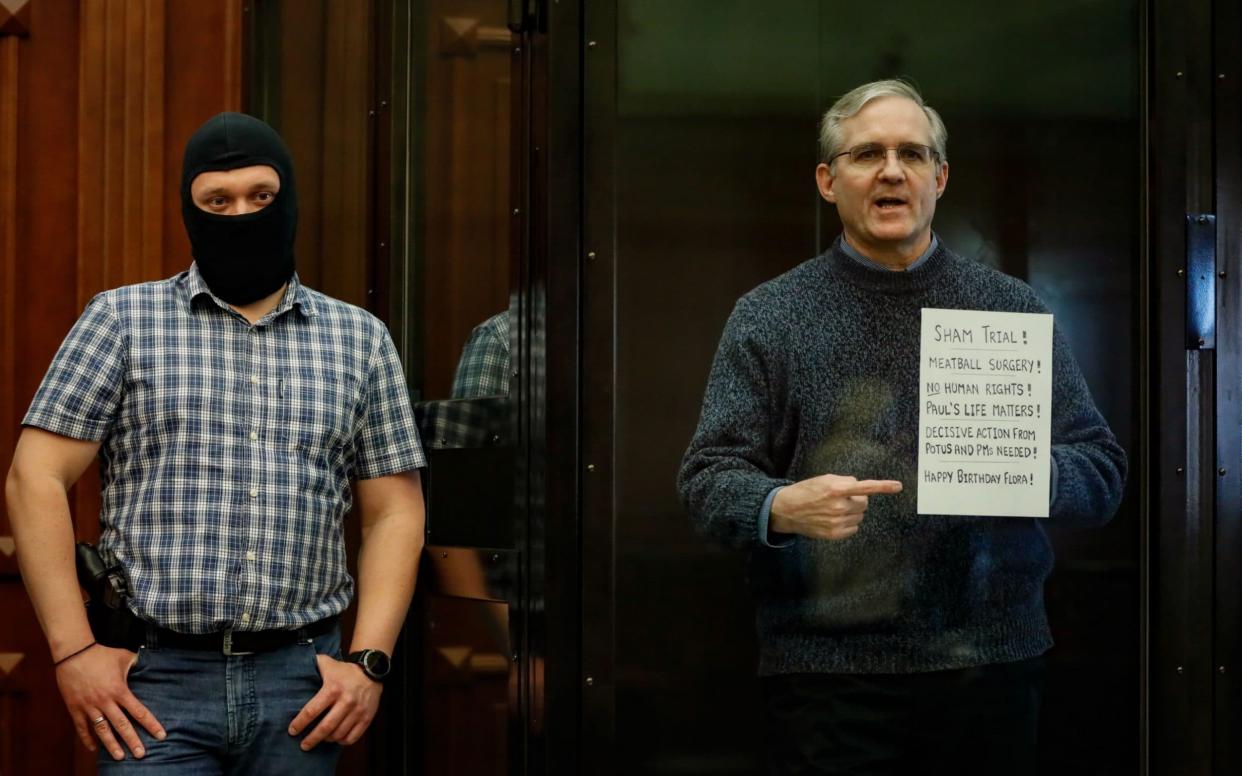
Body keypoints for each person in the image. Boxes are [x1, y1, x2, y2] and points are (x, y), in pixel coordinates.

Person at [676, 80, 1127, 775]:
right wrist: (779, 506)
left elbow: (1101, 474)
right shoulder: (770, 315)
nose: (892, 170)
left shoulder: (1012, 310)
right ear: (828, 181)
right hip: (828, 677)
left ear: (939, 178)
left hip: (993, 664)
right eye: (868, 154)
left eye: (913, 154)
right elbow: (706, 481)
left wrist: (1014, 472)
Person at [5, 112, 426, 774]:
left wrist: (368, 661)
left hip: (305, 685)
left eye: (261, 196)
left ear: (288, 200)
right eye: (218, 201)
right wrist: (73, 653)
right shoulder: (120, 321)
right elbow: (35, 478)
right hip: (153, 686)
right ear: (189, 210)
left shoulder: (361, 339)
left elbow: (395, 509)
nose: (242, 214)